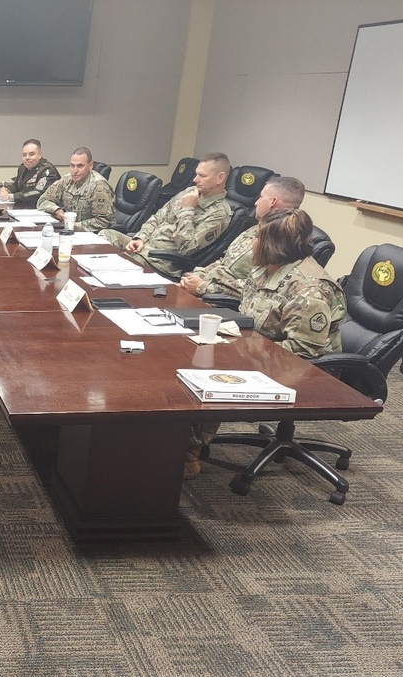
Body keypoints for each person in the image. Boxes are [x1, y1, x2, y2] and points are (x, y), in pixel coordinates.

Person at [186, 207, 346, 476]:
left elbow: (303, 352)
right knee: (194, 355)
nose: (252, 242)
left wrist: (243, 352)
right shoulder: (266, 271)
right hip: (262, 352)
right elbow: (253, 317)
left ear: (273, 245)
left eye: (257, 237)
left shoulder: (308, 289)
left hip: (305, 369)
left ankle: (188, 452)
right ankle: (183, 440)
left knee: (213, 373)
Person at [100, 152, 232, 276]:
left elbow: (186, 248)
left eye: (202, 176)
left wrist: (187, 210)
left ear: (220, 178)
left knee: (119, 263)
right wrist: (140, 238)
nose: (195, 179)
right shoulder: (190, 191)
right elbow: (158, 217)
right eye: (196, 174)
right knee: (105, 236)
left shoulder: (219, 213)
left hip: (162, 260)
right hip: (145, 246)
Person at [179, 176, 306, 299]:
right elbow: (225, 261)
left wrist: (204, 286)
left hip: (221, 301)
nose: (256, 202)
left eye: (261, 197)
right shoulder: (254, 228)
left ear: (273, 202)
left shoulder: (282, 242)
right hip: (205, 288)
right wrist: (198, 275)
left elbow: (258, 289)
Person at [36, 147, 114, 231]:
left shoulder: (99, 186)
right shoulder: (66, 180)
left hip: (93, 235)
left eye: (80, 166)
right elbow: (42, 200)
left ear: (90, 165)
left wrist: (72, 225)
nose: (75, 170)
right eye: (72, 166)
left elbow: (103, 221)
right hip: (69, 231)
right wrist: (56, 210)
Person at [0, 139, 59, 208]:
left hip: (44, 210)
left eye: (31, 154)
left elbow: (38, 194)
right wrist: (6, 189)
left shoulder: (47, 170)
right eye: (24, 155)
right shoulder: (23, 168)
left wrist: (11, 197)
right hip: (25, 208)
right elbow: (17, 186)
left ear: (40, 155)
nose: (27, 158)